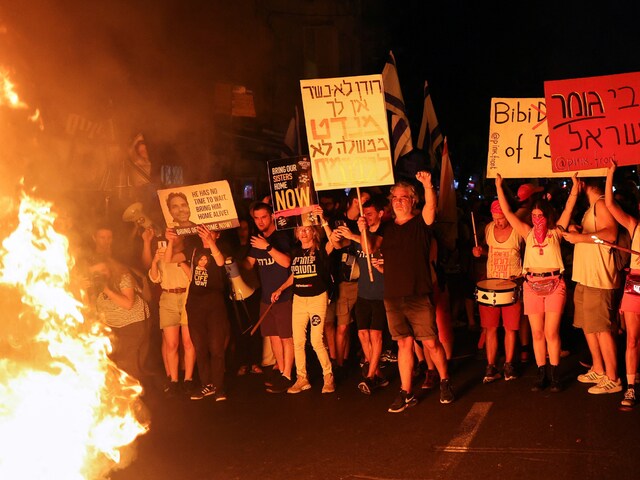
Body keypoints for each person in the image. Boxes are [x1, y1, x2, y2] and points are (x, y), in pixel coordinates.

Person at [362, 173, 454, 412]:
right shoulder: (387, 228)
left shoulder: (421, 223)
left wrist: (426, 185)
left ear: (413, 200)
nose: (398, 201)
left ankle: (444, 381)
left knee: (431, 343)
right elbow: (370, 248)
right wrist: (364, 230)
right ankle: (406, 392)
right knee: (404, 344)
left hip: (418, 293)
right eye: (395, 197)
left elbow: (431, 208)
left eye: (404, 197)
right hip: (392, 296)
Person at [496, 173, 579, 392]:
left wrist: (574, 186)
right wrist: (499, 187)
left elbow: (569, 209)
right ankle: (541, 372)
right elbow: (507, 213)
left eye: (540, 215)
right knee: (537, 333)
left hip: (554, 284)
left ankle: (554, 374)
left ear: (548, 215)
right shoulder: (527, 232)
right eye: (533, 215)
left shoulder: (556, 232)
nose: (536, 219)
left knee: (551, 332)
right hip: (532, 285)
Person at [562, 176, 622, 395]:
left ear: (583, 183)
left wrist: (581, 238)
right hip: (586, 276)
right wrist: (578, 232)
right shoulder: (592, 207)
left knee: (602, 329)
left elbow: (610, 234)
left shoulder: (601, 203)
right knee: (589, 326)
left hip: (599, 277)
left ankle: (613, 377)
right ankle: (598, 368)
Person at [271, 221, 335, 394]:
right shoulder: (296, 252)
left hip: (317, 298)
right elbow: (295, 274)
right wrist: (280, 289)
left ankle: (328, 376)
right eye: (300, 230)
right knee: (298, 341)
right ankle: (302, 378)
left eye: (307, 229)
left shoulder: (321, 250)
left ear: (314, 232)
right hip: (299, 299)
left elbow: (334, 241)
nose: (303, 233)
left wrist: (324, 221)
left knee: (316, 340)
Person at [173, 225, 230, 401]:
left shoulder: (222, 249)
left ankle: (219, 387)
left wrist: (211, 242)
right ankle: (207, 385)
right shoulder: (193, 249)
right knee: (200, 347)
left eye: (211, 231)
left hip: (214, 304)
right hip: (195, 304)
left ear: (218, 234)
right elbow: (170, 258)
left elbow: (220, 262)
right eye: (204, 231)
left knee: (216, 347)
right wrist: (169, 241)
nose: (206, 234)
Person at [243, 202, 295, 393]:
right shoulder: (257, 239)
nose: (260, 221)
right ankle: (281, 371)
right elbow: (248, 264)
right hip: (266, 297)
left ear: (271, 216)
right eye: (256, 218)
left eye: (263, 217)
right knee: (273, 337)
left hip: (284, 295)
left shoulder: (280, 237)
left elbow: (286, 262)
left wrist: (267, 247)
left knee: (285, 337)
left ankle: (288, 375)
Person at [472, 200, 523, 384]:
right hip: (491, 286)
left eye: (501, 219)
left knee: (510, 328)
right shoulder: (488, 229)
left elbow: (527, 254)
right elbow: (491, 252)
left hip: (512, 285)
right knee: (490, 327)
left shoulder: (518, 230)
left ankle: (509, 364)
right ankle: (491, 366)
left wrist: (520, 277)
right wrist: (480, 252)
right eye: (495, 219)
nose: (498, 222)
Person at [605, 161, 639, 407]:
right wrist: (610, 175)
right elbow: (609, 204)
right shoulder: (635, 225)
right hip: (635, 285)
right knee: (632, 339)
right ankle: (630, 387)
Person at [147, 229, 196, 395]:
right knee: (171, 344)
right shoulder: (162, 255)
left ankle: (188, 379)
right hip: (168, 297)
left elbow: (194, 278)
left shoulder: (188, 254)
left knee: (188, 342)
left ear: (183, 236)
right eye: (171, 236)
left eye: (177, 235)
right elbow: (155, 278)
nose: (174, 238)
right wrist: (154, 261)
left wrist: (182, 262)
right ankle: (174, 380)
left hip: (187, 296)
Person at [328, 188, 371, 377]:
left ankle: (369, 360)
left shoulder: (366, 221)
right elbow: (337, 245)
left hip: (366, 281)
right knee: (343, 325)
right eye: (365, 201)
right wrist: (338, 237)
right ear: (356, 201)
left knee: (365, 326)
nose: (366, 206)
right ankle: (339, 363)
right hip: (346, 281)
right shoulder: (339, 221)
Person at [86, 256, 150, 379]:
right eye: (95, 273)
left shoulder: (123, 278)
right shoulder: (94, 285)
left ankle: (134, 395)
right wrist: (84, 289)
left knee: (128, 363)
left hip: (133, 324)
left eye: (103, 270)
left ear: (109, 268)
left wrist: (106, 289)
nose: (100, 275)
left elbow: (128, 304)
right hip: (112, 326)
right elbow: (90, 309)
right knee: (112, 363)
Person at [351, 196, 390, 394]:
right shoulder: (360, 231)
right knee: (362, 333)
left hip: (381, 293)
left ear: (381, 214)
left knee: (376, 334)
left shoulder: (385, 232)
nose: (365, 217)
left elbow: (370, 247)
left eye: (370, 214)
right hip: (364, 292)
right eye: (363, 214)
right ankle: (377, 375)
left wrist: (358, 233)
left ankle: (369, 376)